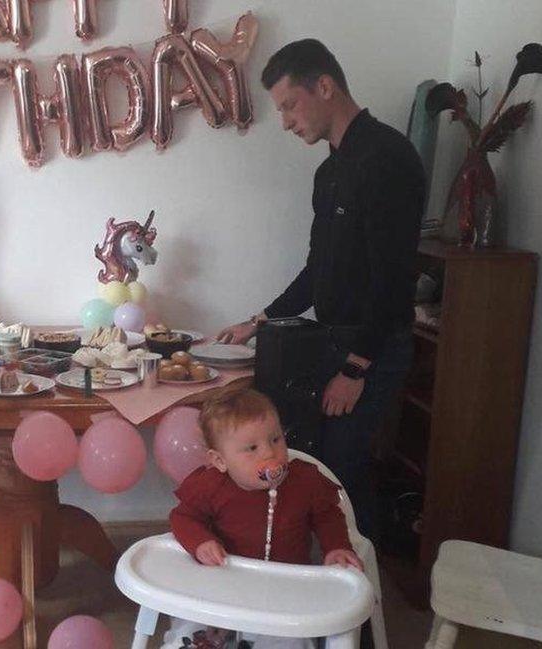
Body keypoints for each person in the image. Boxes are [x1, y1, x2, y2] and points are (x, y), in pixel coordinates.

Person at [217, 39, 425, 542]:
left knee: (341, 468)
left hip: (370, 348)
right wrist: (260, 319)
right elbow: (319, 270)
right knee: (316, 462)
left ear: (325, 86)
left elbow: (393, 279)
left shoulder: (387, 158)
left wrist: (356, 367)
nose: (286, 121)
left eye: (290, 105)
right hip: (332, 340)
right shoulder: (329, 172)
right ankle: (331, 575)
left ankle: (362, 598)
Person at [165, 389, 362, 649]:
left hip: (287, 589)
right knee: (190, 629)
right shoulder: (210, 485)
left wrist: (337, 546)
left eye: (276, 439)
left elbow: (328, 516)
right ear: (220, 460)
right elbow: (183, 518)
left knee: (289, 640)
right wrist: (201, 542)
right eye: (252, 448)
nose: (270, 454)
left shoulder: (305, 482)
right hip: (226, 582)